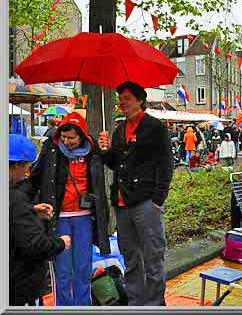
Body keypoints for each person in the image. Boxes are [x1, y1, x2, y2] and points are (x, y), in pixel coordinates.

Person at [98, 81, 173, 306]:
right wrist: (105, 151)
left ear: (140, 100)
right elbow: (116, 163)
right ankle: (136, 302)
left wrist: (157, 199)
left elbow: (166, 164)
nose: (122, 103)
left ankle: (154, 304)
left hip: (146, 201)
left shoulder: (155, 127)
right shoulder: (120, 129)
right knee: (130, 257)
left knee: (153, 256)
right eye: (120, 99)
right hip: (122, 203)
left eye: (126, 99)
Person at [28, 112, 111, 306]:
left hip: (84, 218)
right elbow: (36, 177)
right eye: (64, 137)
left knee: (83, 268)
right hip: (59, 219)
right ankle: (63, 307)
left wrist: (107, 149)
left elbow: (112, 164)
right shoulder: (51, 147)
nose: (67, 141)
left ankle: (82, 306)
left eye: (71, 137)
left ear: (81, 135)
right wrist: (18, 198)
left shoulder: (93, 150)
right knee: (62, 271)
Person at [9, 134, 71, 306]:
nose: (26, 174)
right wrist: (60, 243)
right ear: (18, 164)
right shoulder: (15, 199)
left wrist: (32, 211)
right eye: (27, 168)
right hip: (17, 287)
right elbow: (34, 244)